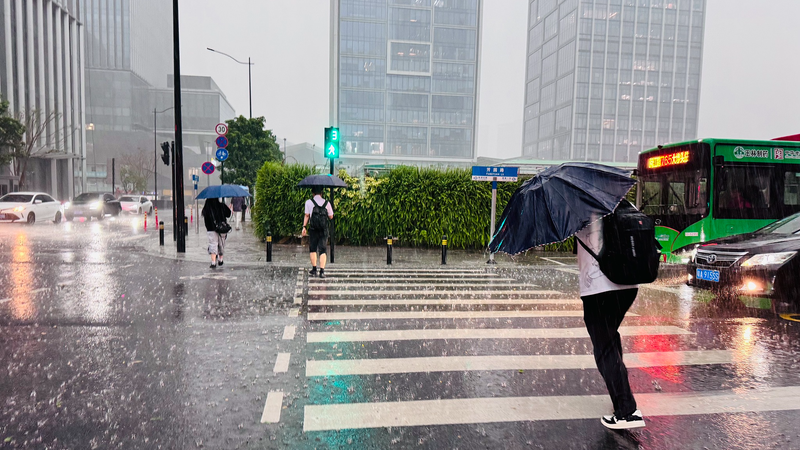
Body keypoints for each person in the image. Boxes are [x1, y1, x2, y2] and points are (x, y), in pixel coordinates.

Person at [575, 219, 645, 430]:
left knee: (604, 348)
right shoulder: (617, 202)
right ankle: (621, 396)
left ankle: (626, 410)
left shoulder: (579, 210)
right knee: (609, 338)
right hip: (627, 285)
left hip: (599, 289)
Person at [302, 186, 334, 278]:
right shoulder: (327, 203)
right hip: (323, 229)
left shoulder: (308, 202)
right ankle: (322, 271)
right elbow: (331, 216)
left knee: (313, 248)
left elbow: (307, 215)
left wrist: (304, 227)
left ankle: (314, 269)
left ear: (313, 193)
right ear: (321, 193)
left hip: (313, 229)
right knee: (323, 249)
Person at [202, 198, 231, 269]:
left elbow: (206, 220)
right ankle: (220, 259)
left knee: (213, 244)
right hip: (222, 228)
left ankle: (213, 262)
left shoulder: (207, 208)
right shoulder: (221, 206)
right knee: (221, 243)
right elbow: (228, 214)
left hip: (211, 229)